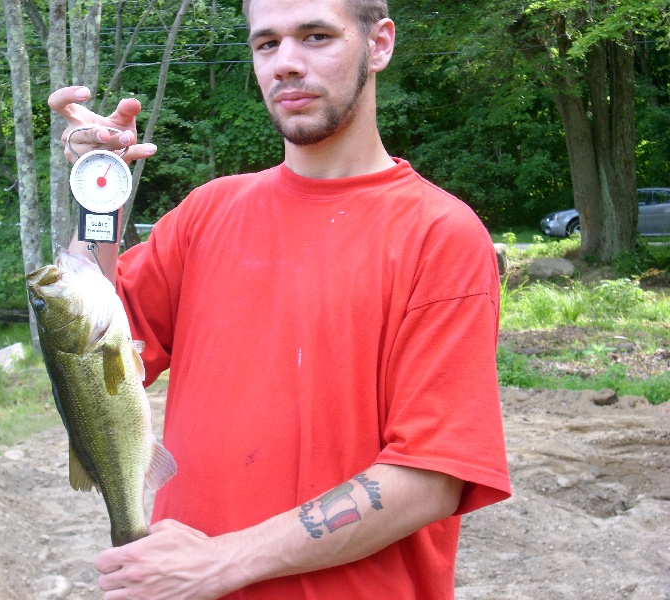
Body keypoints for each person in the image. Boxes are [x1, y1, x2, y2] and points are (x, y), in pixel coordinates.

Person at [48, 0, 511, 598]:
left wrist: (219, 562)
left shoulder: (439, 235)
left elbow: (430, 477)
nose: (286, 64)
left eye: (316, 36)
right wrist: (100, 195)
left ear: (380, 44)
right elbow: (98, 355)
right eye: (267, 44)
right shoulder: (208, 212)